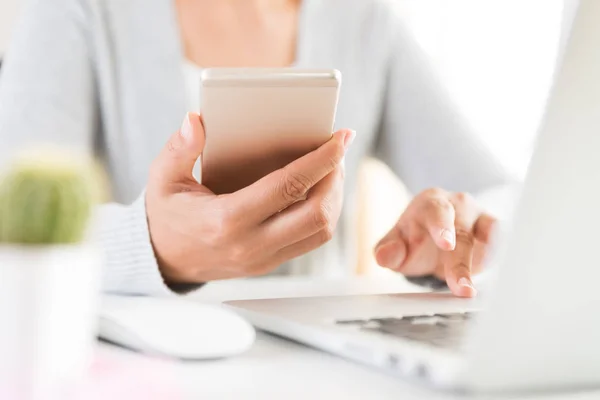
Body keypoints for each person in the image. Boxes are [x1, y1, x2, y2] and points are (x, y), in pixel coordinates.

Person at [0, 0, 514, 297]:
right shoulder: (79, 11)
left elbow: (506, 200)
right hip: (148, 371)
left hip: (316, 373)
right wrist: (152, 247)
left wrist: (462, 237)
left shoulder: (361, 18)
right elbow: (11, 231)